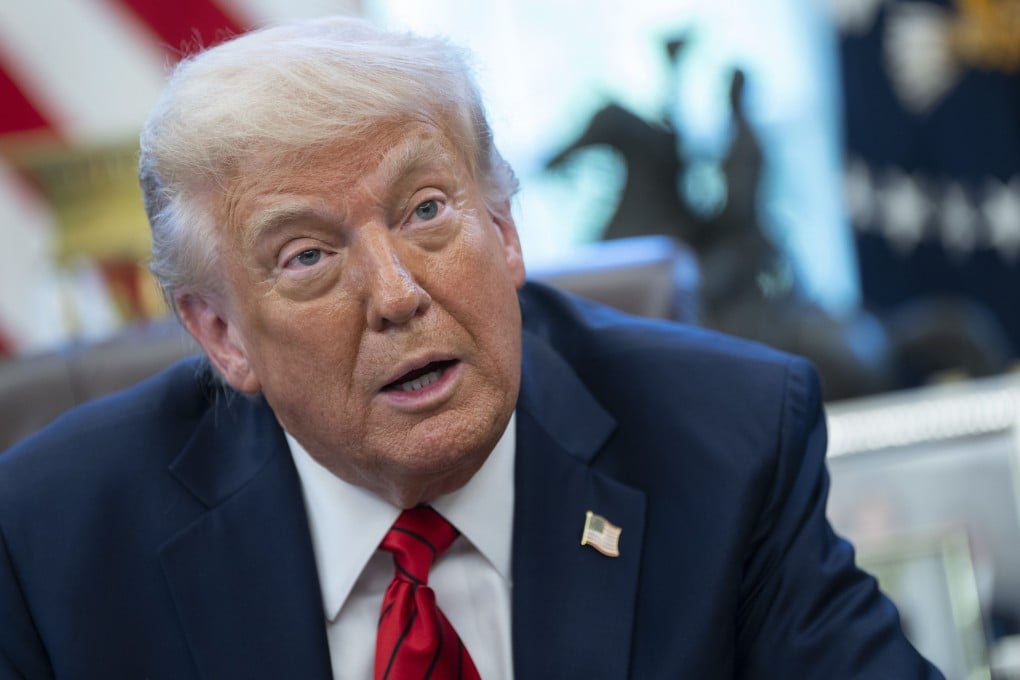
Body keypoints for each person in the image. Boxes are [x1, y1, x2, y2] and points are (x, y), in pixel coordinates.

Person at [0, 16, 942, 679]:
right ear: (221, 334)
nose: (400, 296)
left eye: (427, 211)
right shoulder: (58, 542)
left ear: (504, 228)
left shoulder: (727, 444)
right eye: (308, 256)